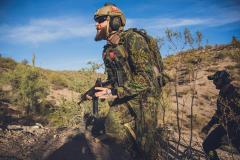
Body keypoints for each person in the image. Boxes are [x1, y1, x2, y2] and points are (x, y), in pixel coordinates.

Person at [92, 3, 165, 159]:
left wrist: (113, 92)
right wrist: (101, 89)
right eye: (96, 21)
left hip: (146, 97)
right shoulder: (107, 51)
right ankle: (132, 151)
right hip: (128, 95)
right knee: (112, 124)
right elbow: (114, 79)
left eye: (101, 20)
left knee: (146, 148)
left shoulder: (133, 39)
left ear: (115, 22)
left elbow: (146, 77)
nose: (97, 25)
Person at [201, 70, 240, 160]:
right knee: (207, 146)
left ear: (224, 80)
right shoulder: (221, 96)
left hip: (237, 128)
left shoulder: (236, 92)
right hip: (225, 126)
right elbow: (219, 113)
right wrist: (208, 126)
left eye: (216, 80)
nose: (214, 83)